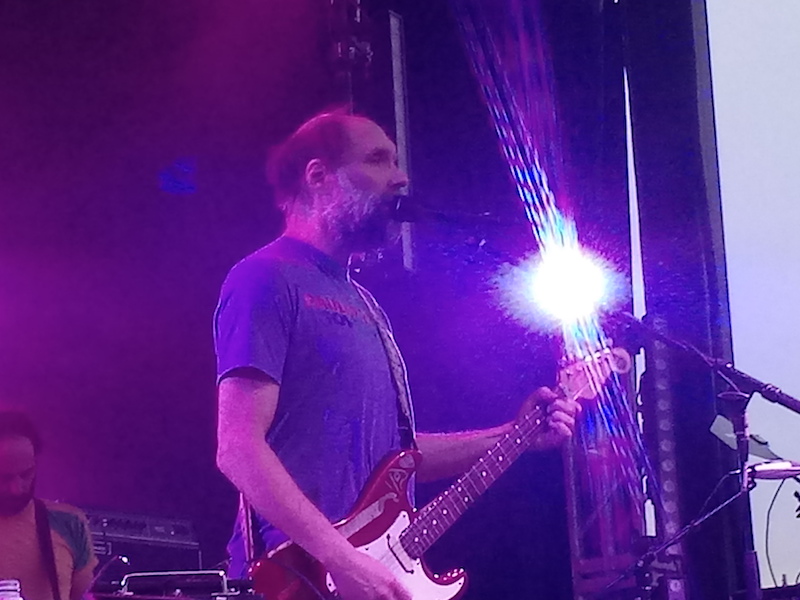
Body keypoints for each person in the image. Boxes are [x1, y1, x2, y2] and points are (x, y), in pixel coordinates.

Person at [214, 110, 580, 600]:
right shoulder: (265, 278)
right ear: (319, 176)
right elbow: (238, 447)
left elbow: (399, 455)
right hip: (295, 579)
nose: (401, 176)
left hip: (366, 578)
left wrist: (513, 435)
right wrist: (342, 560)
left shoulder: (367, 306)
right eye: (378, 160)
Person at [0, 410, 98, 600]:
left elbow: (84, 596)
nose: (17, 489)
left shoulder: (68, 523)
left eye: (26, 474)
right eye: (3, 478)